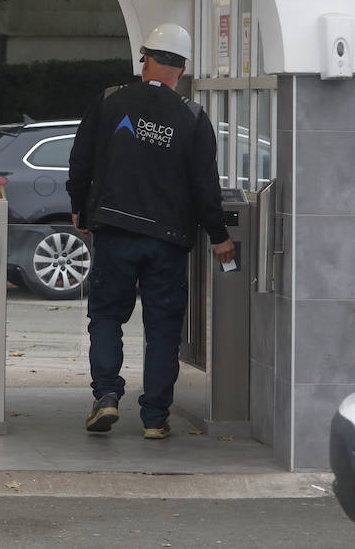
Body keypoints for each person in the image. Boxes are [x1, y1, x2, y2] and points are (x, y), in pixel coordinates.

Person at [67, 23, 236, 440]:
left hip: (114, 230)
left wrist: (80, 211)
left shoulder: (109, 102)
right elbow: (204, 186)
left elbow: (80, 162)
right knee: (163, 328)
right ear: (181, 69)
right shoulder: (193, 117)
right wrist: (219, 236)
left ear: (146, 60)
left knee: (106, 316)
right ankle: (155, 418)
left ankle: (106, 395)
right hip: (168, 240)